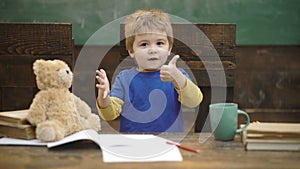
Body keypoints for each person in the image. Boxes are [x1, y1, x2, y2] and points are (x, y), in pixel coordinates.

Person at [96, 9, 203, 132]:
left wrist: (178, 78)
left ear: (169, 48)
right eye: (144, 44)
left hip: (170, 144)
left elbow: (194, 101)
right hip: (134, 145)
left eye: (159, 43)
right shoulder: (124, 79)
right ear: (131, 51)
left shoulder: (176, 75)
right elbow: (110, 115)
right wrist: (103, 98)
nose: (153, 50)